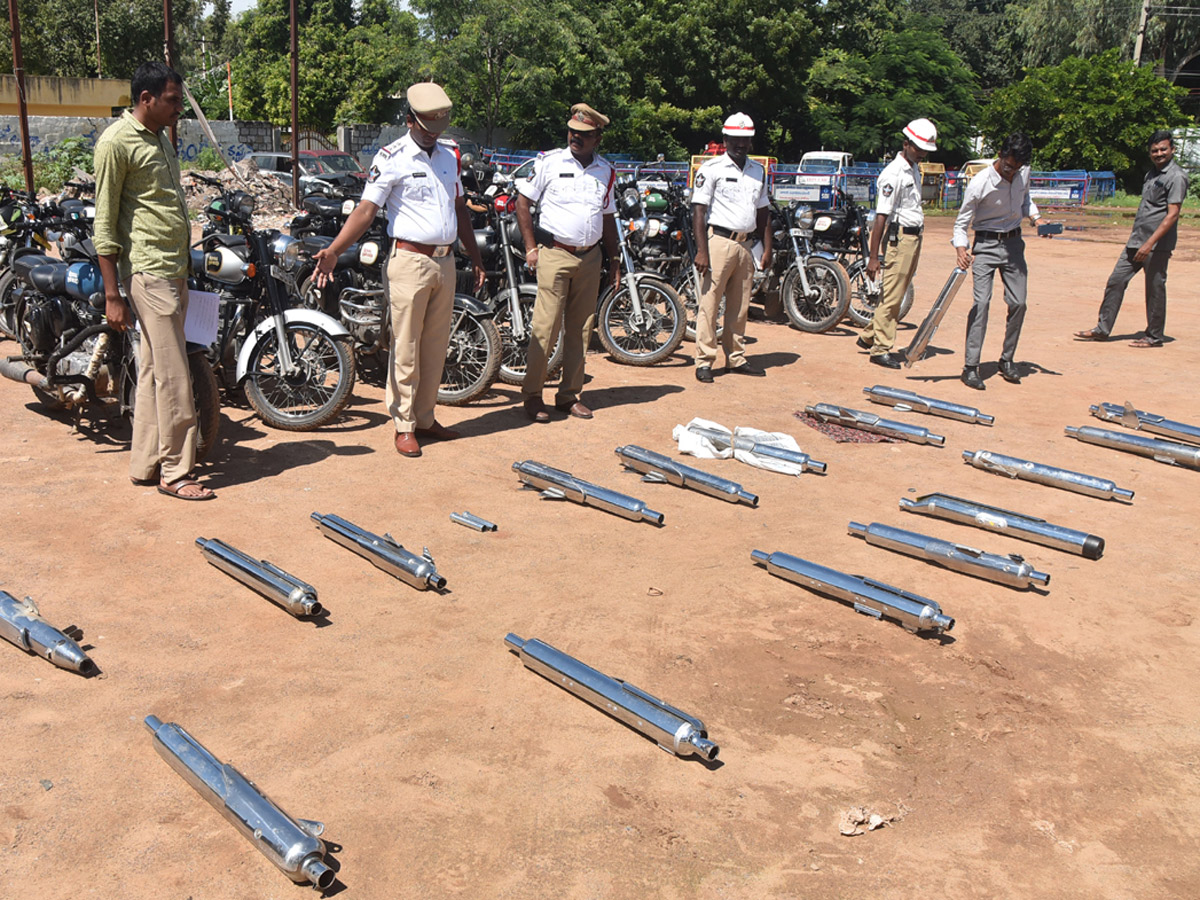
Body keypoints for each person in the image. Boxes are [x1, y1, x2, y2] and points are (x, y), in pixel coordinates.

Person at [313, 83, 485, 458]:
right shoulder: (391, 157)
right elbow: (365, 211)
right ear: (409, 120)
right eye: (427, 127)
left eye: (439, 127)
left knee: (436, 347)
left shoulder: (450, 155)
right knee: (405, 346)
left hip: (444, 262)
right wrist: (334, 250)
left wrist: (473, 256)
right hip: (409, 262)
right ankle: (403, 424)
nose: (434, 134)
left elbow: (460, 208)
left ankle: (425, 417)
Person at [93, 62, 215, 500]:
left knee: (152, 371)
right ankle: (176, 472)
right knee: (174, 374)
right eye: (173, 100)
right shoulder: (115, 143)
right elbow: (105, 225)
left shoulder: (160, 138)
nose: (178, 109)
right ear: (146, 99)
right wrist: (113, 294)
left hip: (173, 269)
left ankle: (145, 463)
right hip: (147, 271)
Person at [516, 103, 619, 422]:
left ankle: (569, 395)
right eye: (573, 131)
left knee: (581, 329)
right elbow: (522, 203)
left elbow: (609, 218)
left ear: (597, 138)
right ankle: (533, 395)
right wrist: (531, 247)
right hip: (555, 254)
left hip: (590, 257)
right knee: (545, 328)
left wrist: (614, 261)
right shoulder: (548, 162)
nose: (577, 137)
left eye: (585, 134)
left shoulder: (606, 171)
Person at [1075, 130, 1188, 348]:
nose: (1159, 153)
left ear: (1172, 149)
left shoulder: (1176, 176)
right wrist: (1140, 241)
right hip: (1136, 241)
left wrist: (1149, 244)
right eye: (1154, 150)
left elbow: (1172, 214)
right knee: (1116, 281)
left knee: (1155, 289)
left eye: (1163, 149)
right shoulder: (1151, 174)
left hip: (1156, 246)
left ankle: (1154, 336)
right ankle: (1102, 329)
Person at [952, 133, 1043, 390]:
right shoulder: (980, 183)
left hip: (1014, 245)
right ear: (1001, 154)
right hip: (986, 245)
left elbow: (1025, 199)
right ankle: (971, 367)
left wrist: (1036, 218)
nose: (1012, 172)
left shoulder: (1023, 172)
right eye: (1008, 166)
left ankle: (1007, 359)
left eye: (1017, 168)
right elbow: (961, 223)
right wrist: (961, 248)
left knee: (1019, 302)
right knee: (981, 303)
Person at [691, 112, 771, 383]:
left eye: (745, 139)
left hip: (745, 244)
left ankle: (736, 357)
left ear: (751, 141)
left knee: (740, 306)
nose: (740, 144)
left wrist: (767, 246)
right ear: (725, 139)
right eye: (735, 139)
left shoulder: (758, 171)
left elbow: (763, 212)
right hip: (719, 242)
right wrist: (701, 251)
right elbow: (699, 211)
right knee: (710, 304)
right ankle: (704, 360)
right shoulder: (712, 169)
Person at [857, 118, 937, 369]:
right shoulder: (893, 174)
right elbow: (881, 216)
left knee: (897, 290)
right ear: (906, 144)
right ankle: (880, 348)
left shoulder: (911, 167)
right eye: (919, 149)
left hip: (913, 236)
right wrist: (872, 256)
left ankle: (870, 335)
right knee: (892, 295)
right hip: (899, 238)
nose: (923, 154)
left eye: (925, 150)